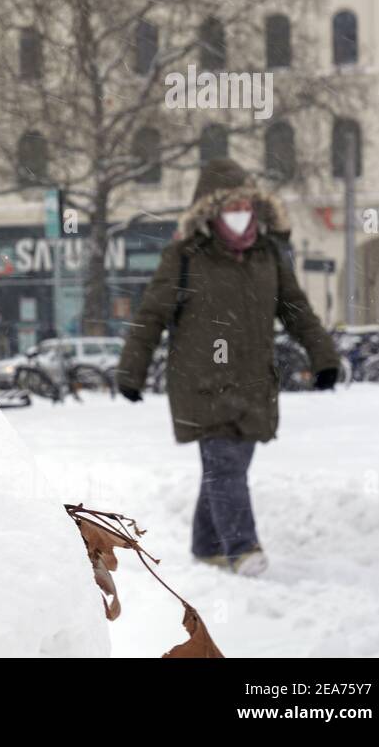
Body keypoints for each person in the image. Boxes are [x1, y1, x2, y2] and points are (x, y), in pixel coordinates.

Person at [115, 158, 340, 576]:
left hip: (254, 384)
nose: (241, 212)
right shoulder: (185, 256)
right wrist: (131, 371)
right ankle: (242, 548)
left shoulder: (268, 254)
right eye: (231, 205)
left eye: (247, 204)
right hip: (201, 382)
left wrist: (323, 358)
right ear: (211, 210)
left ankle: (206, 546)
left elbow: (297, 311)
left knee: (227, 468)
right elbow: (151, 316)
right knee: (224, 466)